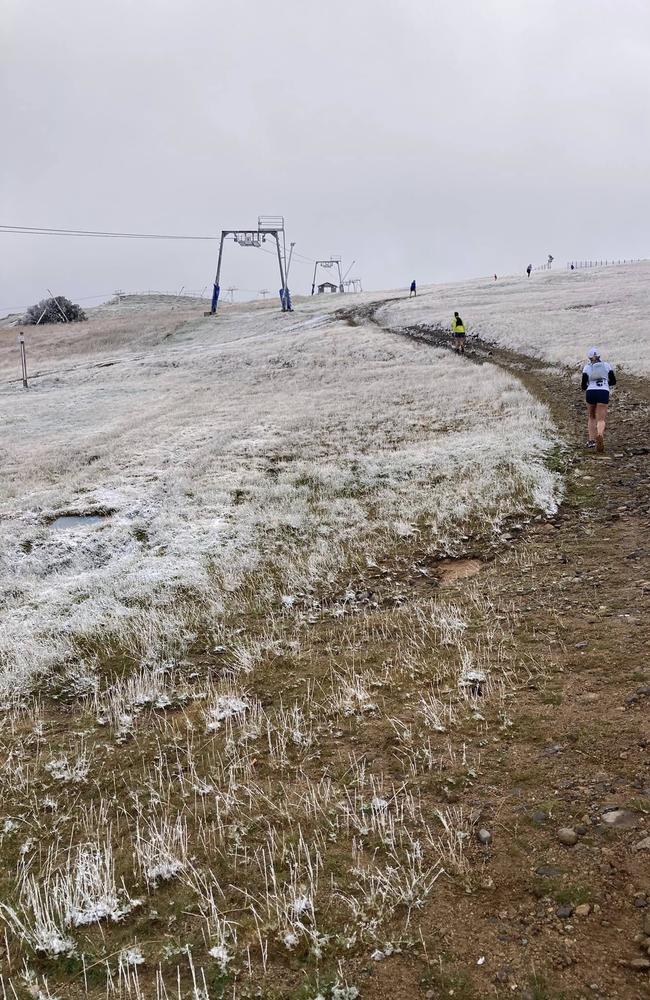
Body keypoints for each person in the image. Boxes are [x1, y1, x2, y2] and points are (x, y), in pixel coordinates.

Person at [581, 347, 616, 453]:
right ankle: (600, 434)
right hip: (603, 392)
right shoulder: (606, 365)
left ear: (589, 358)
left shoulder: (586, 368)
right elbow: (613, 381)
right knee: (601, 419)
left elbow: (583, 385)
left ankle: (591, 441)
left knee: (591, 417)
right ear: (600, 356)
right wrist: (605, 384)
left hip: (591, 392)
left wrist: (589, 386)